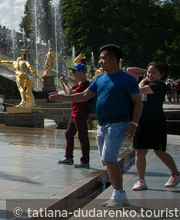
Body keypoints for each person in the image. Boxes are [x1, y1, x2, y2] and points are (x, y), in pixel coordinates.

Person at [50, 44, 142, 208]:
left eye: (103, 58)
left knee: (109, 157)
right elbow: (85, 96)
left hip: (119, 123)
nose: (100, 62)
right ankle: (117, 193)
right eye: (100, 58)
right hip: (103, 125)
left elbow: (138, 102)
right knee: (106, 160)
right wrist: (62, 98)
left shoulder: (127, 80)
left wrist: (134, 123)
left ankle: (119, 194)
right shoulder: (99, 78)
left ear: (114, 60)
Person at [125, 62, 180, 191]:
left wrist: (143, 81)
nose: (150, 75)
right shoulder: (148, 82)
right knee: (139, 151)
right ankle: (141, 180)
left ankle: (176, 174)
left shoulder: (159, 86)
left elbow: (137, 90)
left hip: (156, 122)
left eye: (154, 73)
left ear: (162, 75)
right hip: (141, 122)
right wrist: (146, 72)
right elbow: (130, 70)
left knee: (159, 151)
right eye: (149, 72)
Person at [57, 63, 91, 168]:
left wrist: (65, 83)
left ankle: (84, 161)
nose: (73, 74)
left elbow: (70, 94)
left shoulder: (85, 85)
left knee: (83, 137)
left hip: (81, 113)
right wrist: (63, 83)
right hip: (75, 113)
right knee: (68, 133)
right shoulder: (80, 84)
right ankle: (68, 157)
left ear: (81, 73)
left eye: (74, 72)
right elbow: (69, 92)